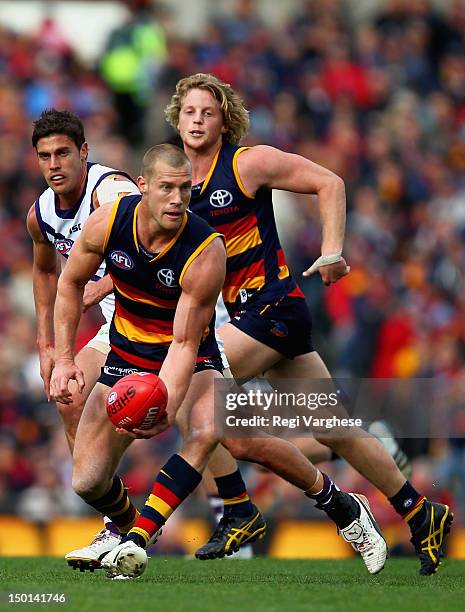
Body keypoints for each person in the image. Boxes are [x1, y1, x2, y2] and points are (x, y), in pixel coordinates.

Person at [50, 144, 387, 579]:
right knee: (87, 482)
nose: (176, 199)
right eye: (166, 189)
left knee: (211, 431)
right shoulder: (109, 221)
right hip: (126, 352)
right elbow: (69, 284)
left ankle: (137, 541)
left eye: (184, 190)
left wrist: (165, 406)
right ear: (143, 187)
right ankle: (141, 527)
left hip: (190, 353)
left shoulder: (207, 247)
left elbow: (185, 342)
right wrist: (61, 359)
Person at [164, 73, 452, 576]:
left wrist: (332, 250)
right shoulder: (177, 184)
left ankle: (237, 510)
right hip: (261, 318)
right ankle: (421, 512)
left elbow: (329, 182)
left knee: (194, 388)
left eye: (207, 112)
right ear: (177, 118)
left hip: (272, 307)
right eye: (189, 112)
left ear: (224, 119)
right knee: (334, 430)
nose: (197, 121)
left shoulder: (246, 162)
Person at [27, 109, 140, 566]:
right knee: (69, 395)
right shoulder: (42, 213)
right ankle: (119, 523)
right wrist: (47, 345)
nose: (54, 164)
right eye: (44, 156)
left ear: (84, 153)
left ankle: (234, 511)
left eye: (62, 153)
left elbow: (154, 247)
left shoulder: (111, 191)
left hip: (168, 316)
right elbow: (42, 270)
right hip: (118, 326)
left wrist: (101, 285)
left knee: (217, 429)